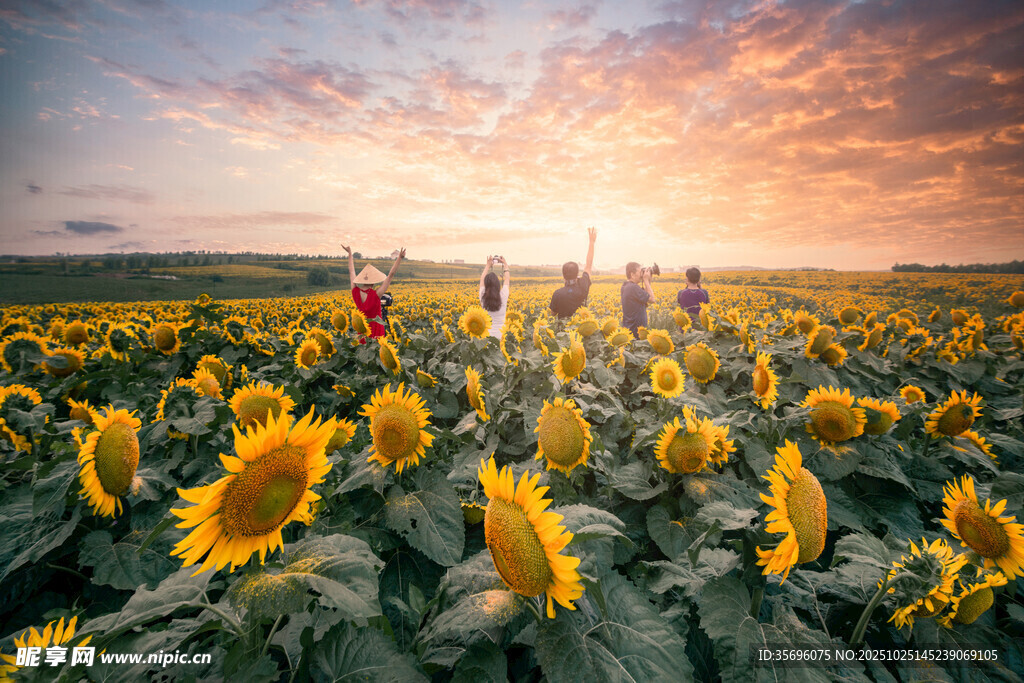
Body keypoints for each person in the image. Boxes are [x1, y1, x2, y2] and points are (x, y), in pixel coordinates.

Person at [342, 244, 405, 340]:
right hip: (377, 335)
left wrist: (350, 253)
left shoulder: (355, 292)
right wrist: (400, 258)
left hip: (362, 335)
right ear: (373, 281)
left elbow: (351, 272)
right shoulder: (376, 295)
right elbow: (391, 275)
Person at [550, 227, 597, 318]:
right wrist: (591, 242)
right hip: (581, 329)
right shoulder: (583, 286)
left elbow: (553, 313)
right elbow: (588, 264)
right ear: (577, 275)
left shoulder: (557, 294)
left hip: (563, 331)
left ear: (563, 276)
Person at [479, 255, 510, 339]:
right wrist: (505, 264)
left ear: (486, 284)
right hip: (501, 337)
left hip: (486, 338)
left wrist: (488, 265)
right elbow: (507, 280)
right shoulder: (503, 295)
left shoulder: (483, 296)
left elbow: (482, 279)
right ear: (497, 284)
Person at [621, 261, 655, 337]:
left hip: (630, 329)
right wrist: (646, 280)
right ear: (632, 274)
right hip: (635, 332)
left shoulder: (626, 286)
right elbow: (652, 299)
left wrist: (648, 280)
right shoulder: (633, 288)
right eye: (640, 272)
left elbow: (646, 295)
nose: (641, 275)